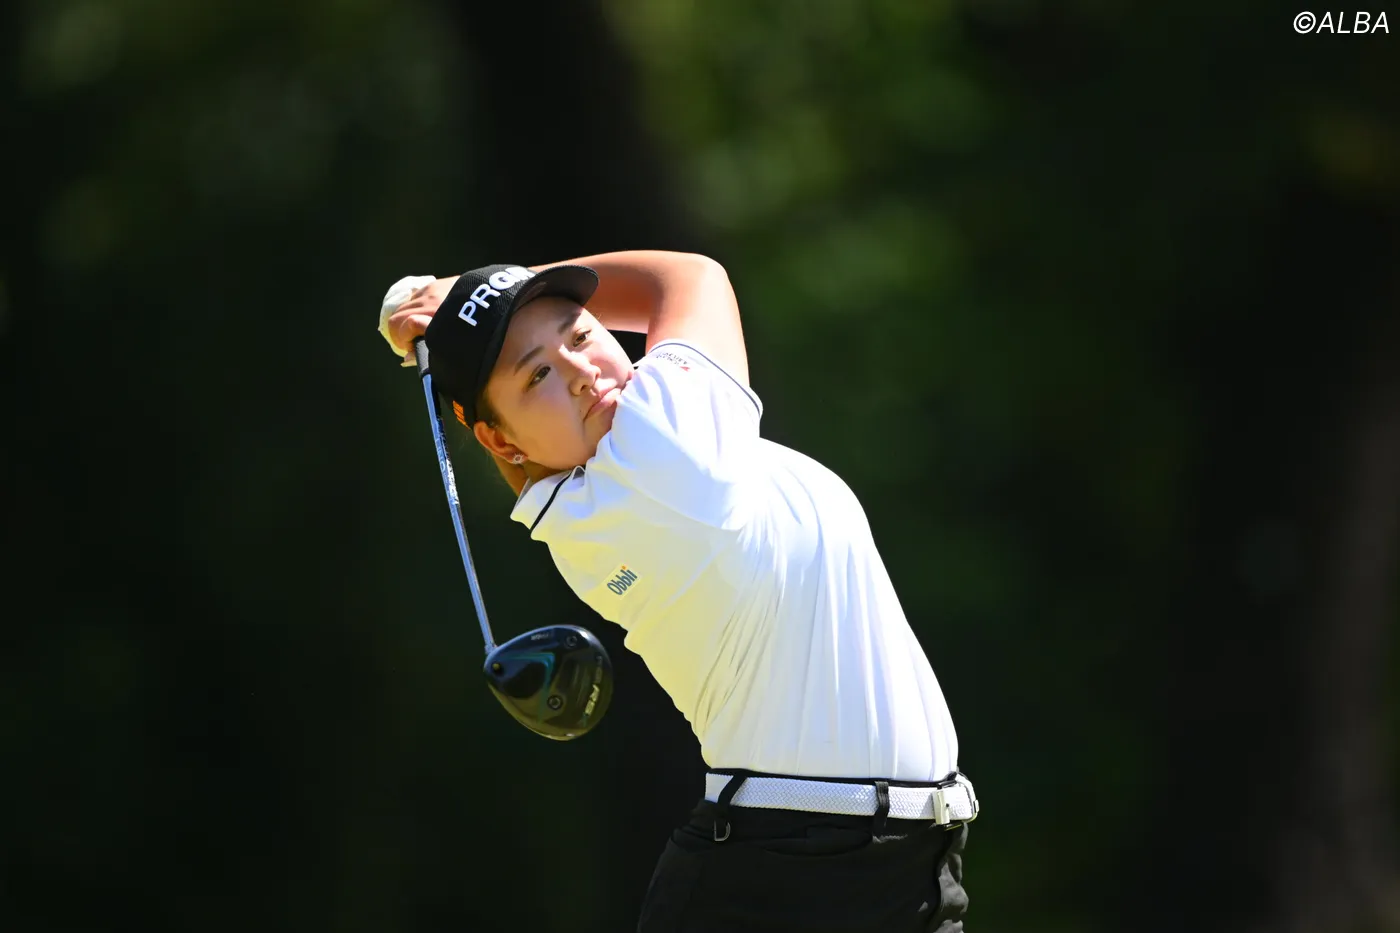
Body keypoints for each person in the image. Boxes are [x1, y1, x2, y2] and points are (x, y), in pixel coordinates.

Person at [376, 250, 979, 932]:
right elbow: (691, 278)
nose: (580, 373)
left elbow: (523, 453)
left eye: (580, 334)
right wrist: (458, 293)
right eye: (538, 374)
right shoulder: (664, 445)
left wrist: (472, 313)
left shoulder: (568, 514)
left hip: (877, 870)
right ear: (500, 440)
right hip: (793, 879)